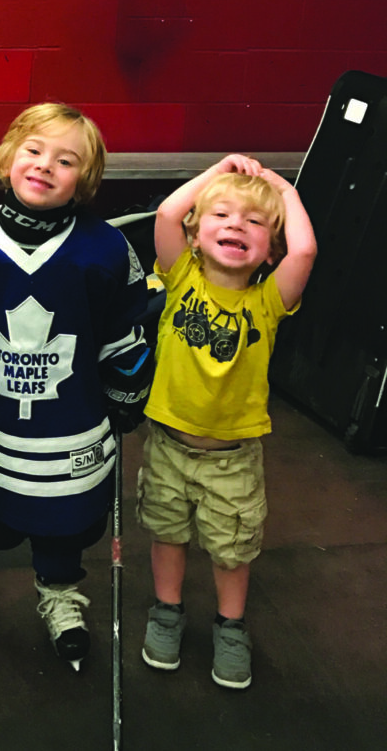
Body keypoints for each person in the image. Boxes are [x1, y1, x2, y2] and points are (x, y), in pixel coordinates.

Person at [0, 103, 152, 671]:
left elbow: (124, 326)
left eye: (66, 160)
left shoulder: (106, 249)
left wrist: (128, 376)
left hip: (70, 431)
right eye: (35, 150)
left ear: (85, 181)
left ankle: (60, 592)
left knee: (65, 524)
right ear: (8, 156)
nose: (45, 166)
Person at [137, 154, 317, 689]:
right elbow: (169, 215)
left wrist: (282, 188)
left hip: (231, 459)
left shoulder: (268, 302)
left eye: (254, 222)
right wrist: (217, 172)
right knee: (167, 535)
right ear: (196, 236)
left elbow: (305, 248)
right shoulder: (180, 278)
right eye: (221, 215)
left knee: (231, 549)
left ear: (269, 249)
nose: (236, 224)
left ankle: (230, 626)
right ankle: (167, 611)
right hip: (168, 444)